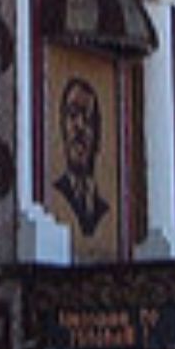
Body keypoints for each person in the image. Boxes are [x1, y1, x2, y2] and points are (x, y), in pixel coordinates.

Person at [54, 78, 110, 235]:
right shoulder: (58, 193)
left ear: (98, 134)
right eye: (72, 115)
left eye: (88, 118)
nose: (79, 126)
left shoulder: (102, 207)